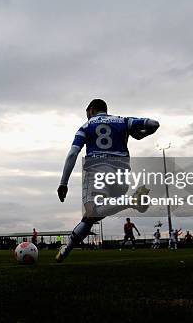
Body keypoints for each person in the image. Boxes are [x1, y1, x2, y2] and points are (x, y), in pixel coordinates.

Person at [55, 99, 159, 262]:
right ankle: (66, 250)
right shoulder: (124, 121)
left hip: (97, 170)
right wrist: (139, 135)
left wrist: (63, 183)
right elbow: (154, 124)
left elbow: (73, 153)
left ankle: (131, 200)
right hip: (122, 174)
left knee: (92, 212)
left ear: (90, 111)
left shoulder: (86, 126)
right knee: (90, 219)